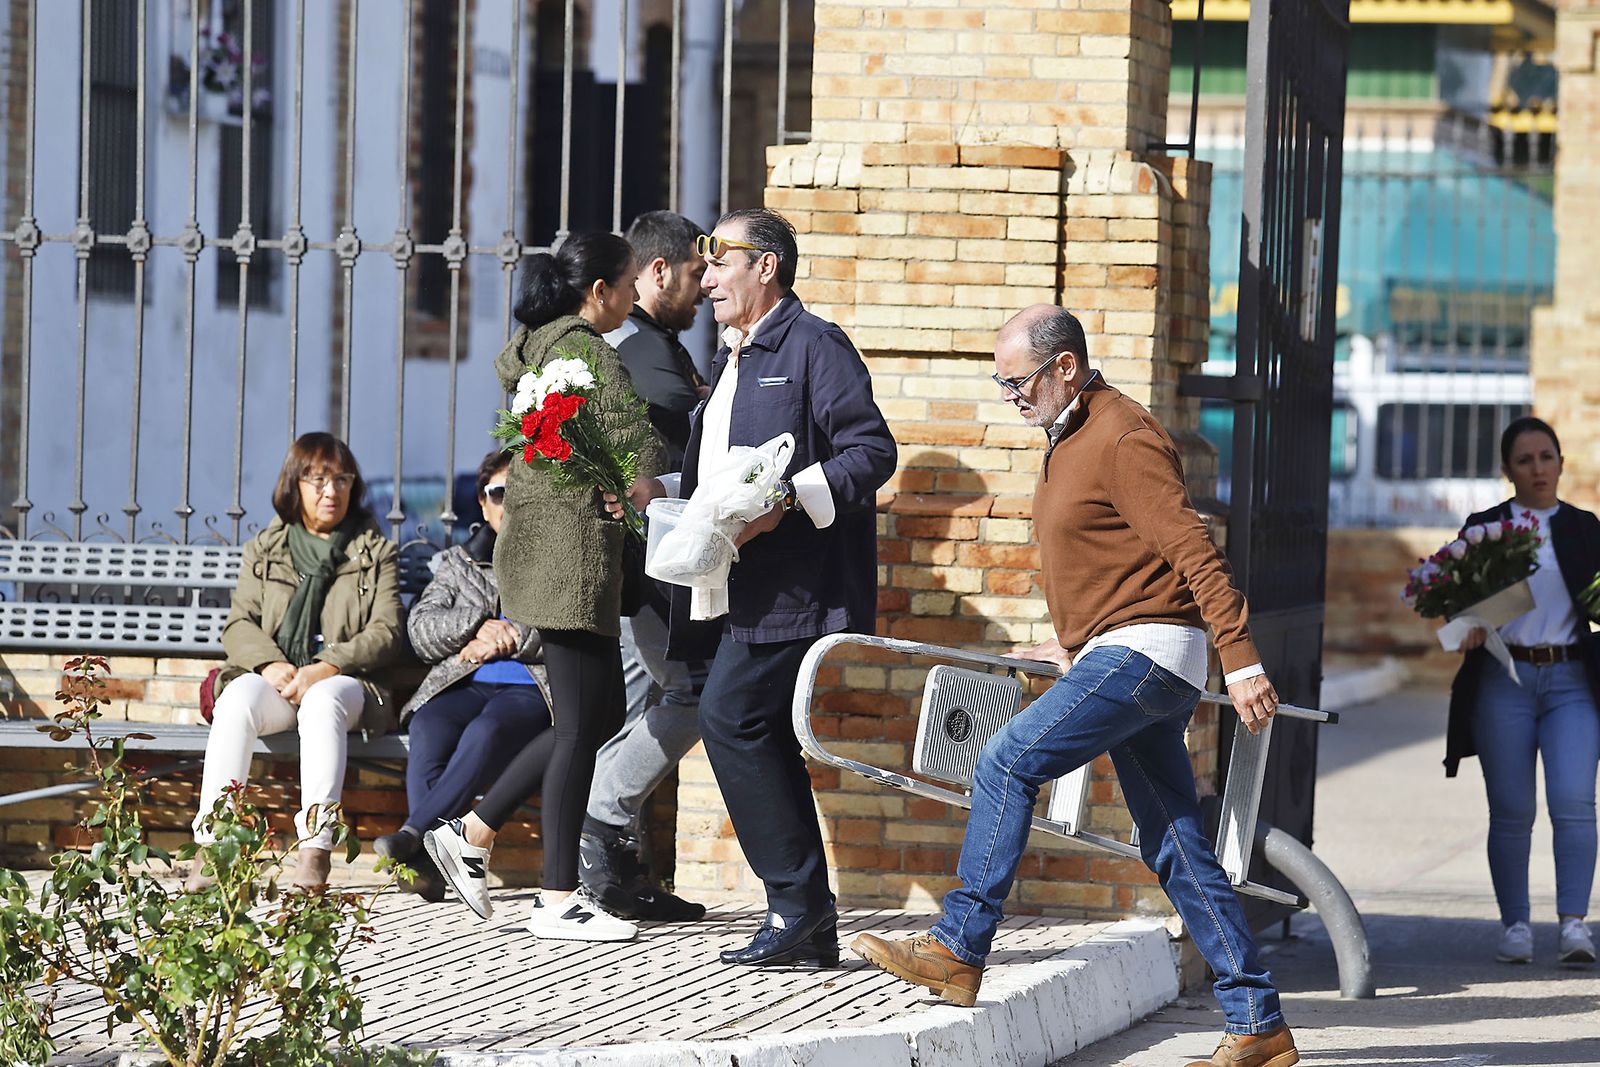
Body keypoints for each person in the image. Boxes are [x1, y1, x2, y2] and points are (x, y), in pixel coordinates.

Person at [850, 306, 1298, 1067]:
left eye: (1018, 382)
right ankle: (1258, 1022)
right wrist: (1072, 641)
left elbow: (1193, 549)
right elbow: (1119, 559)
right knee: (1176, 845)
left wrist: (1242, 656)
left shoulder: (1121, 434)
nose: (1011, 398)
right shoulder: (1070, 437)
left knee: (1006, 761)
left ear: (1065, 366)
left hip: (1146, 653)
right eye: (1002, 385)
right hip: (1124, 649)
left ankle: (959, 946)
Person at [614, 207, 897, 967]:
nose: (705, 280)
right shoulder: (732, 357)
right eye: (703, 265)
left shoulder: (815, 346)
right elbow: (722, 479)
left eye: (719, 262)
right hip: (737, 589)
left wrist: (786, 502)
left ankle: (798, 907)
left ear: (765, 267)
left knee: (730, 717)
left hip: (797, 591)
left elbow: (872, 452)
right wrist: (662, 488)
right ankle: (806, 918)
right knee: (755, 730)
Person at [424, 232, 663, 943]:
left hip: (550, 553)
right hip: (572, 560)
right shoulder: (588, 353)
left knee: (593, 715)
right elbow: (635, 443)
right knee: (582, 727)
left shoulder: (542, 348)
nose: (635, 298)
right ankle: (557, 899)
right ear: (600, 291)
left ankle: (470, 831)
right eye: (629, 285)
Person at [186, 433, 404, 892]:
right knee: (236, 699)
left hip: (348, 684)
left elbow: (386, 632)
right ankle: (214, 843)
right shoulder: (266, 548)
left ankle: (315, 849)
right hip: (281, 679)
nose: (331, 491)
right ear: (294, 485)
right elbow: (239, 624)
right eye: (318, 480)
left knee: (322, 701)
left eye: (342, 480)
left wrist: (326, 665)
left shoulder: (374, 551)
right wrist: (269, 664)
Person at [581, 210, 712, 922]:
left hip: (654, 560)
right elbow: (697, 438)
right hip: (649, 562)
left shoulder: (653, 344)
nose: (703, 288)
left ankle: (619, 872)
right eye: (694, 273)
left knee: (644, 709)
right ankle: (597, 828)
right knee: (692, 692)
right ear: (658, 271)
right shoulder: (638, 347)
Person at [1447, 416, 1598, 967]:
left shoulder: (1584, 529)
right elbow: (1450, 604)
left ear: (1561, 463)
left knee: (1575, 801)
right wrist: (1466, 622)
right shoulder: (1485, 528)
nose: (1538, 468)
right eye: (1525, 460)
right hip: (1503, 681)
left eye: (1546, 457)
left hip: (1571, 682)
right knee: (1511, 810)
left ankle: (1574, 925)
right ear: (1507, 470)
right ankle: (1515, 926)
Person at [374, 450, 553, 902]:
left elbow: (569, 629)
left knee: (486, 731)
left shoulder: (555, 558)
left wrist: (507, 637)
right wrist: (475, 626)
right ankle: (430, 864)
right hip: (463, 681)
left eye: (521, 492)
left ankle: (414, 838)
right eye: (500, 493)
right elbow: (420, 629)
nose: (510, 502)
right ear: (483, 502)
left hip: (529, 686)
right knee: (428, 726)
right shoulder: (459, 562)